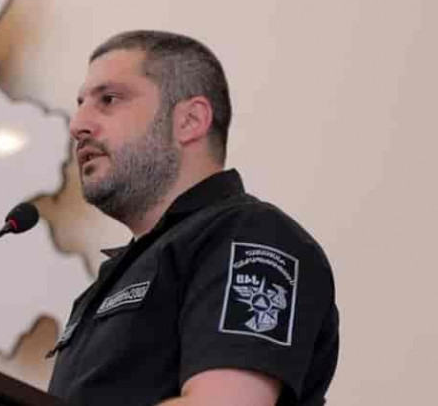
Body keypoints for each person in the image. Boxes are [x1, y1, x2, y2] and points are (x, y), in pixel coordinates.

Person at [47, 31, 339, 406]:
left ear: (190, 120)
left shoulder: (249, 235)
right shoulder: (119, 273)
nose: (78, 125)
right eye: (80, 104)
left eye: (109, 99)